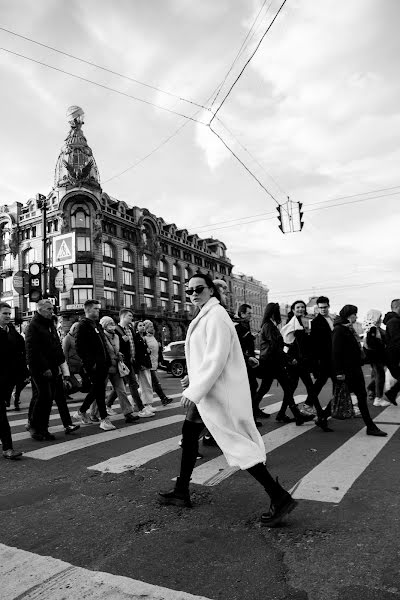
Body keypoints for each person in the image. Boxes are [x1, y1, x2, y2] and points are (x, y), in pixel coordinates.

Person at [159, 274, 298, 527]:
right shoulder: (207, 314)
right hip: (209, 392)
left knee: (236, 444)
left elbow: (217, 358)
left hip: (217, 394)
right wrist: (192, 377)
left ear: (210, 290)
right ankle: (181, 490)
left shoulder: (217, 315)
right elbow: (205, 356)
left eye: (198, 289)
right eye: (189, 290)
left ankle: (279, 497)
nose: (193, 293)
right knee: (190, 437)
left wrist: (194, 390)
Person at [329, 305, 387, 437]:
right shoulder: (339, 329)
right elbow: (336, 352)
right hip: (348, 371)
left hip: (354, 368)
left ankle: (370, 426)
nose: (357, 316)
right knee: (348, 396)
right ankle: (370, 427)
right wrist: (339, 372)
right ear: (349, 315)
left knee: (357, 396)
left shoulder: (347, 328)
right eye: (355, 314)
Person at [255, 303, 315, 427]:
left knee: (285, 389)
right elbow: (275, 347)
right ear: (272, 312)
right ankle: (250, 414)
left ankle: (294, 416)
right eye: (277, 311)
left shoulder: (270, 325)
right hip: (271, 363)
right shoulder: (268, 326)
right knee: (268, 389)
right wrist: (288, 358)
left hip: (274, 363)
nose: (278, 313)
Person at [25, 300, 79, 440]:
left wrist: (61, 362)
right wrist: (44, 368)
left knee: (48, 399)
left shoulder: (49, 325)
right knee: (43, 397)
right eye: (49, 309)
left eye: (52, 309)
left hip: (53, 367)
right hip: (41, 369)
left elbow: (55, 345)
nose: (51, 311)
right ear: (40, 310)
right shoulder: (34, 326)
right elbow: (33, 350)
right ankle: (35, 427)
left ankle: (43, 428)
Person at [73, 299, 115, 431]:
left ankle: (81, 412)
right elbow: (80, 347)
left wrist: (107, 360)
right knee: (100, 391)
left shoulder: (96, 325)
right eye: (96, 308)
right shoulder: (82, 326)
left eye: (98, 308)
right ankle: (104, 419)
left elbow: (103, 345)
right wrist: (91, 364)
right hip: (94, 366)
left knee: (96, 390)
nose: (98, 311)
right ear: (88, 310)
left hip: (102, 364)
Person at [281, 300, 323, 419]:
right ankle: (320, 414)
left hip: (301, 362)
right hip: (295, 363)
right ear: (293, 310)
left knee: (294, 389)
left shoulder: (299, 322)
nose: (301, 309)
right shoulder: (292, 324)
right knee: (309, 388)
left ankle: (281, 413)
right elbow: (286, 343)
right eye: (298, 307)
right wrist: (290, 359)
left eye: (302, 307)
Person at [99, 316, 139, 424]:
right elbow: (103, 352)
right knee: (99, 392)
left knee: (121, 390)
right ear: (104, 326)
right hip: (106, 367)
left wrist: (119, 354)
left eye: (112, 323)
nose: (112, 326)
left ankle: (128, 413)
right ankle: (93, 413)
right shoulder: (101, 337)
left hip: (116, 367)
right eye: (109, 324)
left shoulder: (116, 336)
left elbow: (117, 349)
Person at [235, 303, 267, 425]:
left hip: (249, 362)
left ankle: (251, 416)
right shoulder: (238, 327)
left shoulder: (245, 325)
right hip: (243, 363)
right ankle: (249, 418)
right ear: (242, 314)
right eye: (248, 313)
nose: (251, 316)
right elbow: (237, 346)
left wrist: (250, 338)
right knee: (250, 388)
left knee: (252, 388)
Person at [0, 302, 24, 459]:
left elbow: (20, 354)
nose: (8, 316)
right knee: (1, 415)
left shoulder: (13, 332)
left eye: (9, 313)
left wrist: (24, 372)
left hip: (7, 380)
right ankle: (8, 448)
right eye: (4, 313)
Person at [363, 309, 390, 407]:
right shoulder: (372, 328)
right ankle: (378, 398)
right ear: (374, 317)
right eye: (379, 317)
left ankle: (372, 390)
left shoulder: (371, 327)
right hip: (376, 356)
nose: (380, 319)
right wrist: (382, 344)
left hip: (374, 356)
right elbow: (372, 344)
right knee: (380, 375)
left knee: (376, 375)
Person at [143, 320, 173, 406]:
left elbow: (157, 351)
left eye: (152, 326)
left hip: (154, 363)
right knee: (155, 383)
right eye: (150, 327)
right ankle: (163, 399)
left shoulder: (154, 337)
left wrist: (160, 360)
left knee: (150, 384)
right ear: (146, 328)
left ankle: (133, 399)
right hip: (148, 364)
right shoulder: (145, 338)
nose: (152, 328)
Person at [132, 320, 155, 416]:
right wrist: (139, 364)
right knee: (145, 385)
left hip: (146, 363)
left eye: (143, 325)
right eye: (140, 325)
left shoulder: (143, 337)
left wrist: (148, 351)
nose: (143, 327)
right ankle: (146, 404)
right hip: (142, 364)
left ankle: (135, 399)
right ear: (136, 328)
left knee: (147, 384)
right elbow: (136, 353)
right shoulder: (136, 338)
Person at [383, 299, 400, 405]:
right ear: (398, 307)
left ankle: (392, 393)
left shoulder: (394, 320)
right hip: (394, 357)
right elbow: (397, 340)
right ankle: (391, 393)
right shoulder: (394, 321)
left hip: (393, 356)